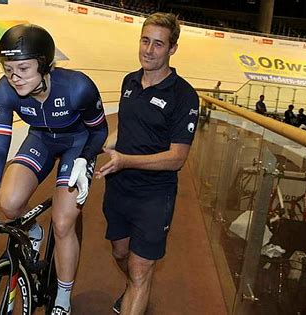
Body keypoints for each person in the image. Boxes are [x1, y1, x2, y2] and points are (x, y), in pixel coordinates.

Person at [0, 24, 108, 315]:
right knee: (9, 203)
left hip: (78, 144)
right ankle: (33, 231)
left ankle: (63, 298)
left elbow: (100, 130)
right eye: (7, 69)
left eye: (23, 68)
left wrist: (87, 157)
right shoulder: (5, 90)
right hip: (41, 139)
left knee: (64, 221)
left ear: (45, 65)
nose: (14, 77)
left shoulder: (78, 87)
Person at [96, 13, 199, 315]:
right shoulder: (130, 81)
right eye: (145, 41)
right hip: (119, 189)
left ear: (172, 49)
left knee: (140, 270)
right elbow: (127, 128)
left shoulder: (184, 96)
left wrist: (125, 160)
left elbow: (177, 157)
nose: (149, 50)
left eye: (158, 44)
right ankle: (134, 289)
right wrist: (98, 146)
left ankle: (136, 291)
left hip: (154, 196)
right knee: (121, 254)